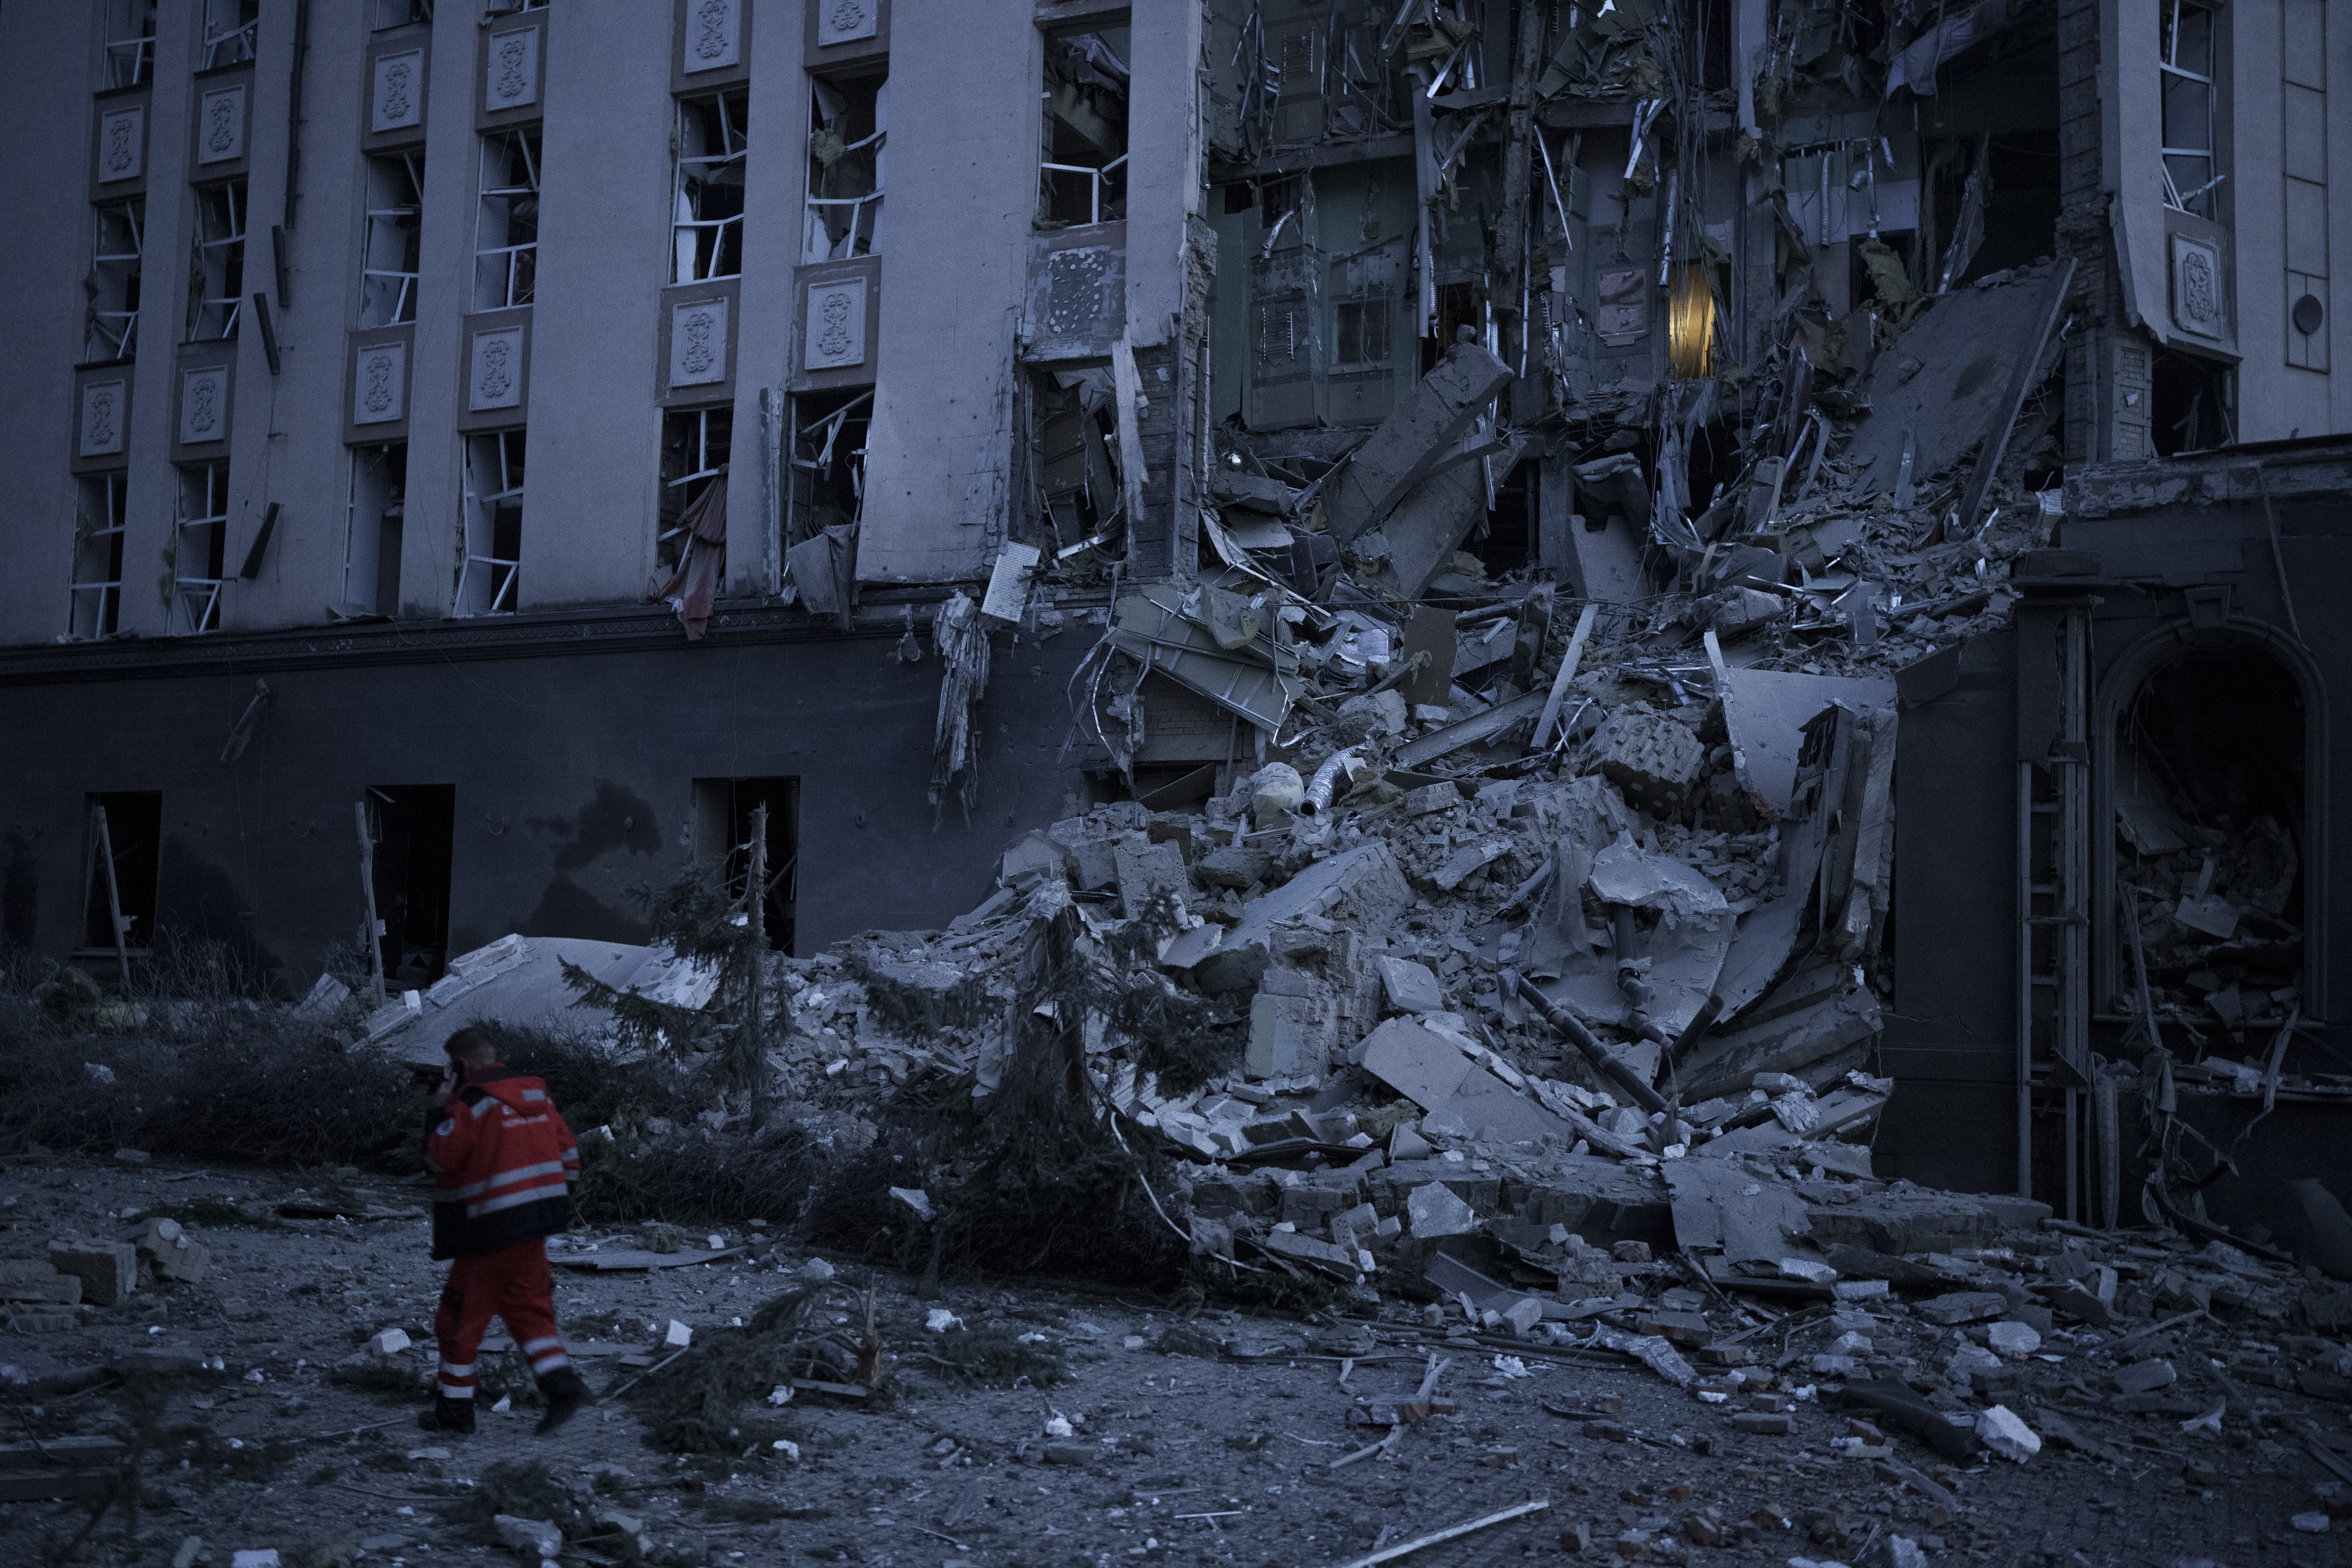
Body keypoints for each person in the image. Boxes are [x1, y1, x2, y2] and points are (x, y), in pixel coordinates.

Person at [418, 1026, 594, 1436]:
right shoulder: (538, 1095)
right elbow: (570, 1156)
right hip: (535, 1229)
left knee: (458, 1321)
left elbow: (439, 1159)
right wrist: (547, 1202)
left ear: (461, 1067)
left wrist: (438, 1110)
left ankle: (455, 1414)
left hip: (489, 1233)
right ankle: (562, 1385)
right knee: (530, 1312)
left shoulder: (474, 1104)